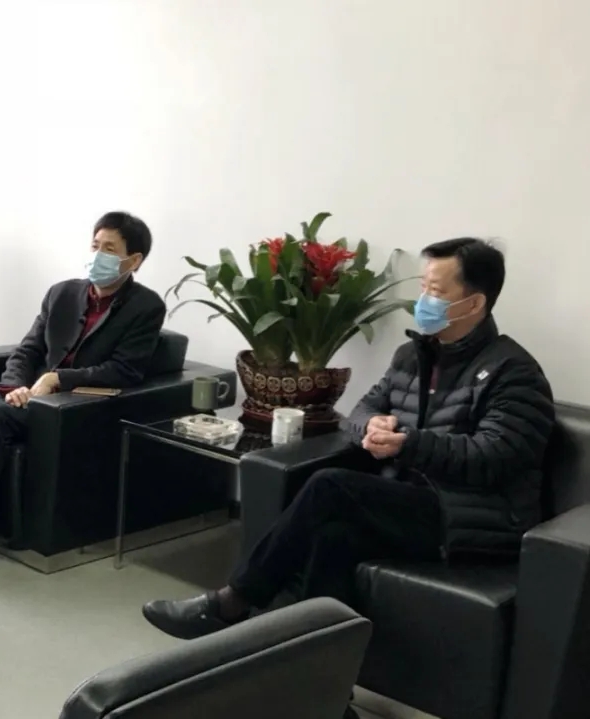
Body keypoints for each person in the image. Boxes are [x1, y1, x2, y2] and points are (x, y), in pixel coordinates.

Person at [141, 237, 554, 641]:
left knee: (330, 486)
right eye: (423, 287)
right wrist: (371, 427)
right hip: (404, 501)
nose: (424, 300)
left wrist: (409, 443)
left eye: (436, 291)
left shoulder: (513, 371)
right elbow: (360, 412)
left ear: (474, 303)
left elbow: (497, 455)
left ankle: (232, 603)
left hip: (470, 516)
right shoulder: (412, 356)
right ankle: (316, 667)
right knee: (332, 537)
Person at [0, 211, 167, 576]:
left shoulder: (146, 307)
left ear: (133, 261)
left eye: (109, 249)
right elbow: (27, 351)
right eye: (95, 245)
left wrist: (58, 379)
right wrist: (14, 388)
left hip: (76, 405)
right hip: (32, 396)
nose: (97, 255)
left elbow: (125, 370)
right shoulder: (62, 293)